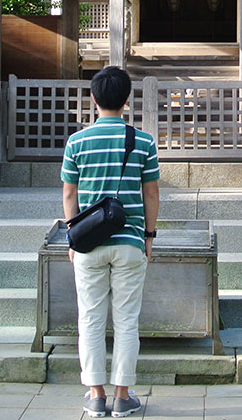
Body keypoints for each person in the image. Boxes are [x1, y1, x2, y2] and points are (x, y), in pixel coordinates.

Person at [61, 66, 160, 418]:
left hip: (89, 242)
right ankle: (122, 395)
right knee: (127, 319)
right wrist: (149, 236)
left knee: (89, 317)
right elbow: (151, 194)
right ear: (127, 100)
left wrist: (74, 238)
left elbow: (70, 194)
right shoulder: (143, 142)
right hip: (130, 241)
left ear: (93, 99)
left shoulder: (77, 142)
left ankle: (95, 394)